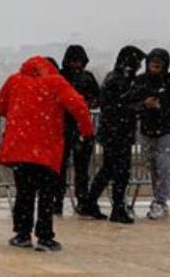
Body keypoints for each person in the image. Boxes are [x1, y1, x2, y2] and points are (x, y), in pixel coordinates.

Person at [0, 55, 93, 252]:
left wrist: (21, 117)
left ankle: (22, 234)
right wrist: (87, 132)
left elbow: (0, 107)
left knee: (24, 192)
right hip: (47, 148)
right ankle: (45, 237)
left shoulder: (14, 80)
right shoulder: (56, 82)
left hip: (19, 148)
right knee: (47, 194)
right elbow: (79, 106)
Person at [80, 45, 145, 223]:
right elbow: (116, 107)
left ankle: (91, 202)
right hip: (118, 132)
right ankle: (115, 207)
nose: (140, 66)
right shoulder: (119, 81)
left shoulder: (116, 78)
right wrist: (141, 106)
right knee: (119, 171)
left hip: (114, 131)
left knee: (109, 170)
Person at [127, 48, 170, 220]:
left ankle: (160, 201)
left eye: (159, 63)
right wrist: (144, 104)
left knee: (165, 167)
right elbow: (130, 103)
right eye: (153, 62)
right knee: (153, 167)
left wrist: (163, 107)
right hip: (147, 130)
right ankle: (159, 199)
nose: (155, 65)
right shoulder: (140, 81)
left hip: (166, 131)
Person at [53, 45, 99, 215]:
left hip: (72, 127)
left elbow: (97, 98)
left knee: (71, 168)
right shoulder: (84, 77)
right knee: (73, 168)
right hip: (74, 126)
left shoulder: (62, 76)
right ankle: (73, 200)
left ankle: (62, 200)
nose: (77, 65)